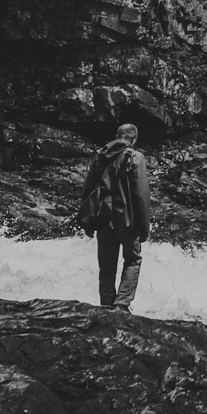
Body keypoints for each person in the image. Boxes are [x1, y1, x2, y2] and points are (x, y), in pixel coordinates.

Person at [77, 122, 152, 310]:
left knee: (107, 269)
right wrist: (144, 228)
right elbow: (140, 195)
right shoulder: (136, 158)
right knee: (133, 260)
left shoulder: (100, 157)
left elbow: (87, 191)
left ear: (117, 135)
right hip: (127, 221)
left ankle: (106, 307)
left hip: (103, 219)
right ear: (134, 139)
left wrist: (87, 223)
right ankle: (121, 304)